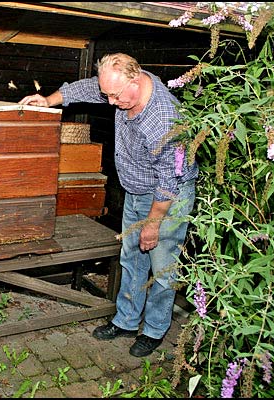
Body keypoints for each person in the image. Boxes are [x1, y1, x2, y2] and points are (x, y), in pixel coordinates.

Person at [19, 53, 198, 357]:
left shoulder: (164, 119)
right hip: (137, 190)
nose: (111, 102)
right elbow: (89, 89)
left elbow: (169, 181)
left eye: (116, 95)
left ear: (135, 79)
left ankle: (154, 330)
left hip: (168, 200)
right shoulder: (119, 87)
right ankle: (126, 321)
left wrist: (153, 225)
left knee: (162, 270)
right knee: (132, 258)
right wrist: (49, 100)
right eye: (109, 95)